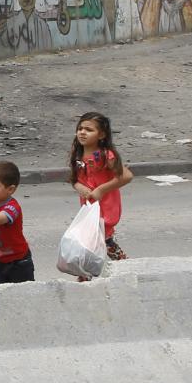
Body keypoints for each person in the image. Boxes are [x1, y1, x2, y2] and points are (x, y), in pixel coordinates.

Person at [69, 112, 135, 267]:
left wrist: (101, 189)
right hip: (89, 207)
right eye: (80, 128)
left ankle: (87, 274)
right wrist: (79, 187)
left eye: (89, 130)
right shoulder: (77, 152)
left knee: (96, 240)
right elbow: (73, 179)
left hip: (104, 207)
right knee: (98, 240)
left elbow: (126, 176)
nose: (82, 132)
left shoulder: (106, 155)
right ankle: (124, 266)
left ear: (102, 135)